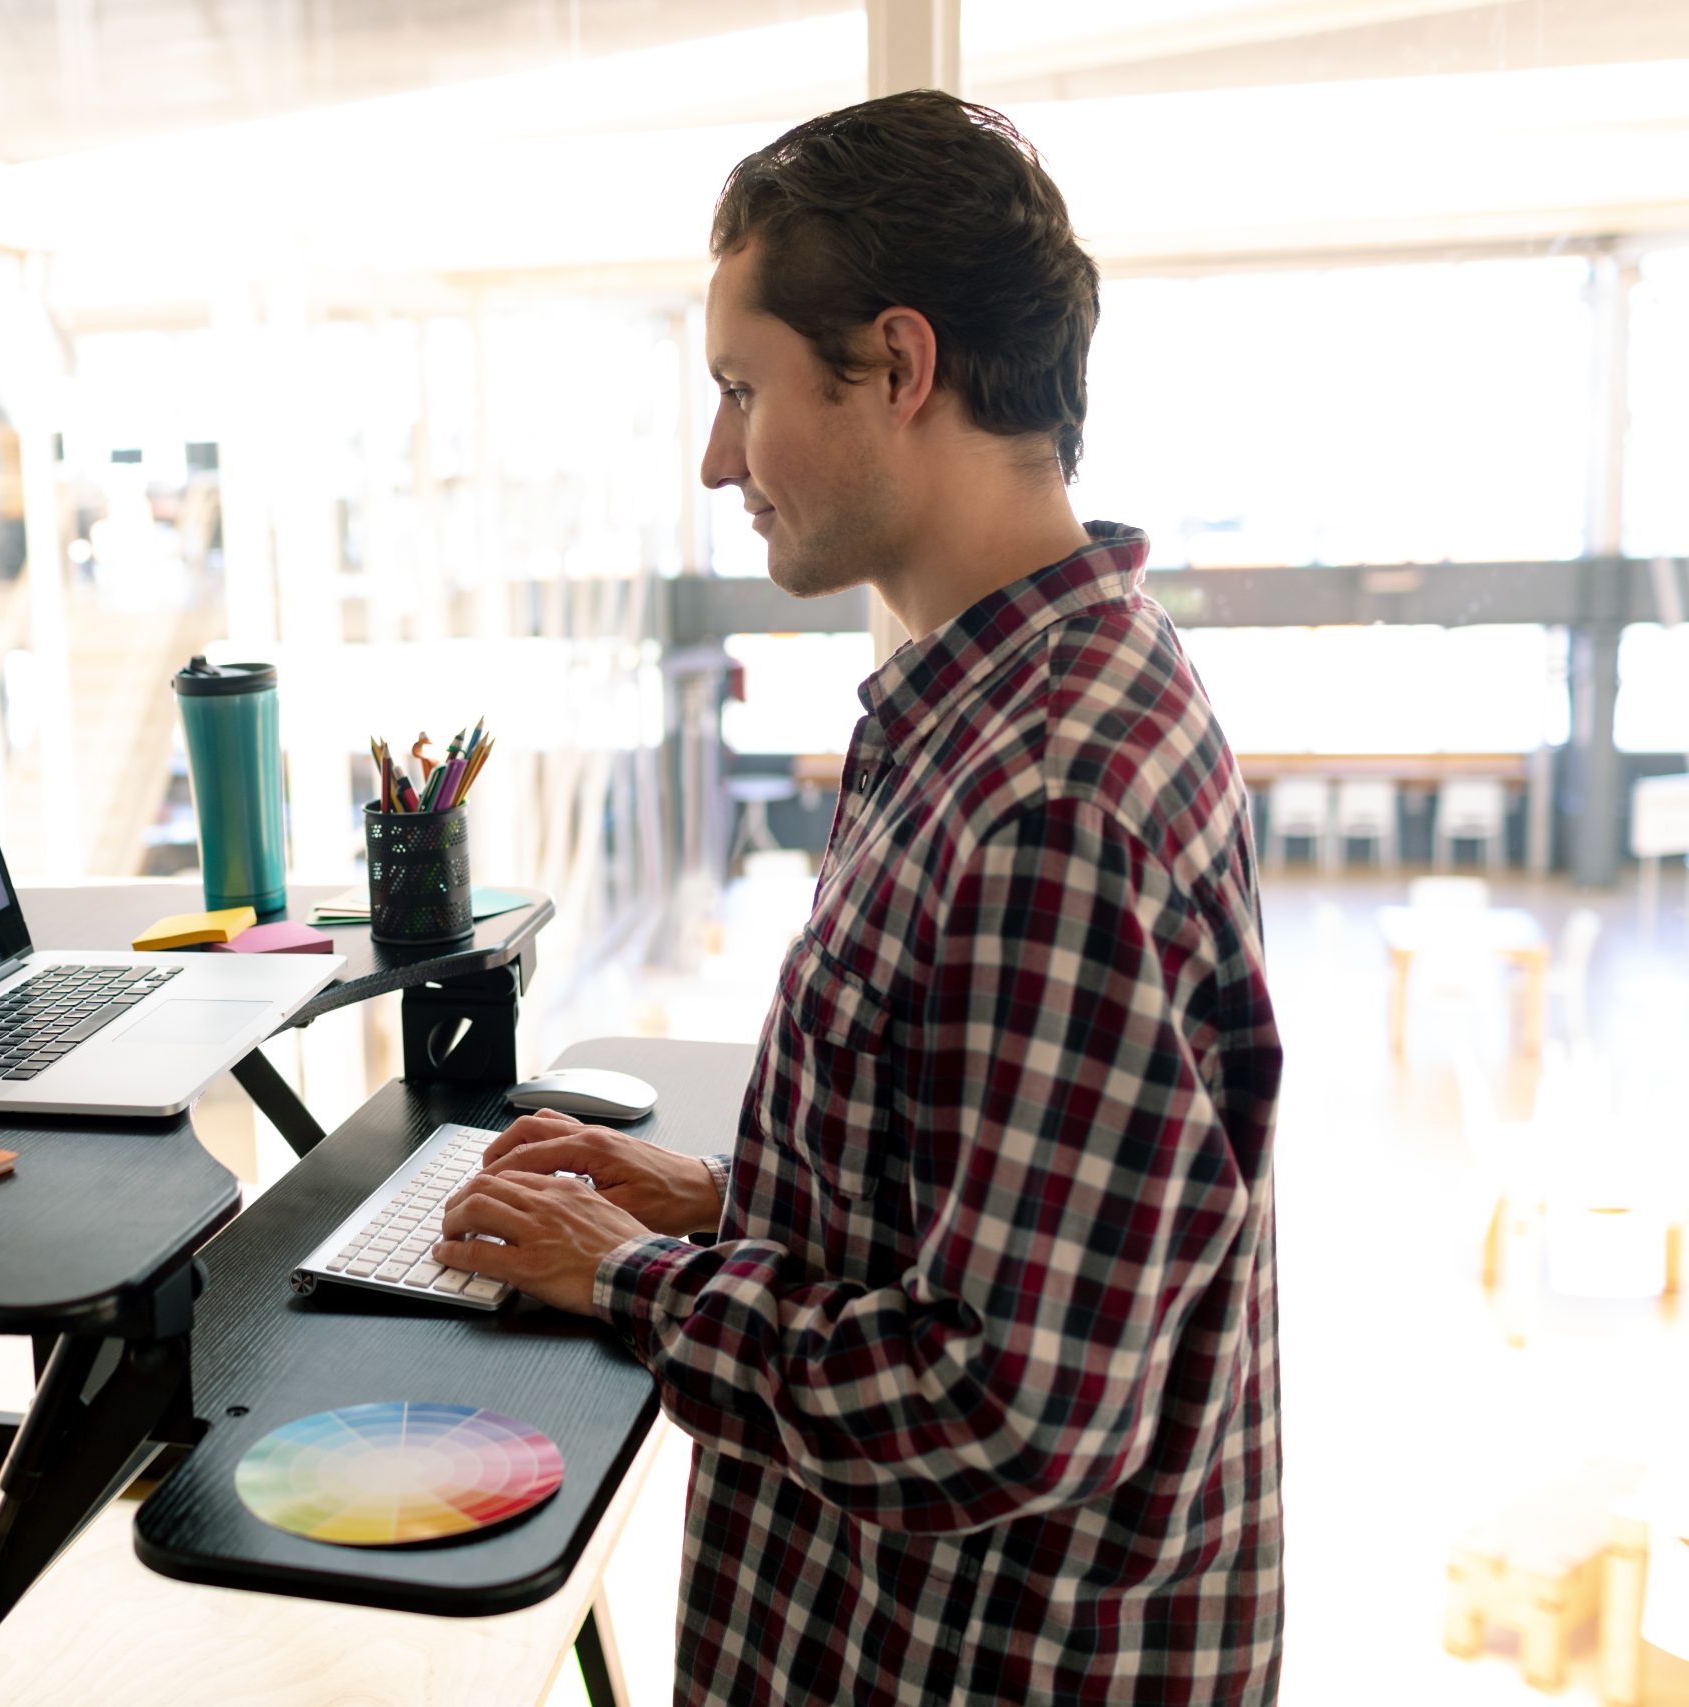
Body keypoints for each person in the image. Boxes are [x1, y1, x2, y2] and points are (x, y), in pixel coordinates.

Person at [433, 92, 1283, 1704]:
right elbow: (978, 1181)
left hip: (974, 1653)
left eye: (743, 390)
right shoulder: (1013, 690)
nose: (714, 458)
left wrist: (623, 1273)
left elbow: (1006, 1402)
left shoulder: (1048, 794)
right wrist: (714, 1193)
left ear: (898, 367)